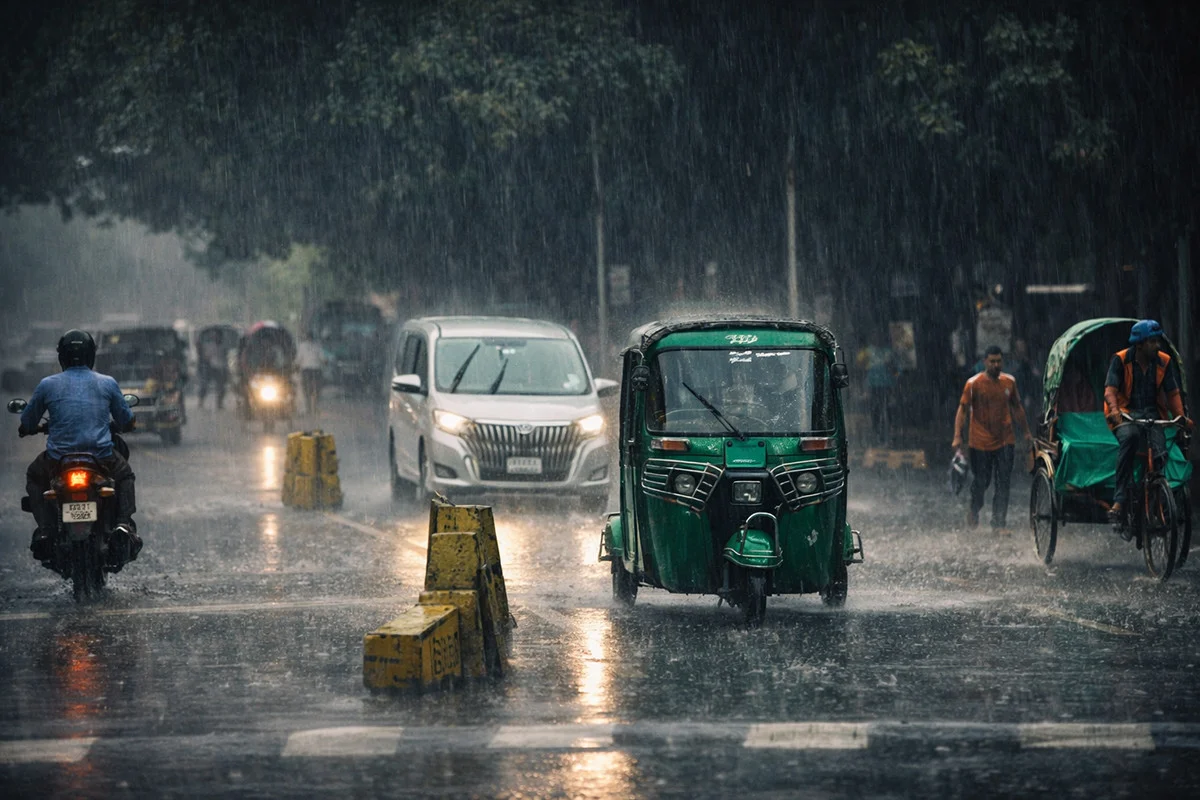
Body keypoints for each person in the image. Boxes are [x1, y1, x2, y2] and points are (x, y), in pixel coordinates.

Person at [19, 329, 140, 561]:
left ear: (62, 357)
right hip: (101, 458)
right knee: (124, 476)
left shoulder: (47, 385)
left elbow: (27, 421)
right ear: (91, 355)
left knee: (35, 476)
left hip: (58, 461)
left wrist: (27, 429)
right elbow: (126, 420)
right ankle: (123, 525)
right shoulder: (107, 383)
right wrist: (128, 424)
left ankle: (45, 529)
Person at [1102, 320, 1193, 528]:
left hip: (1153, 413)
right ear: (1140, 344)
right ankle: (1120, 498)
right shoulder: (1121, 359)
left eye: (1158, 341)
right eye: (1153, 342)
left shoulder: (1164, 362)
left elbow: (1173, 393)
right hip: (1126, 413)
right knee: (1131, 438)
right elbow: (1110, 390)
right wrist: (1115, 412)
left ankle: (1156, 497)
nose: (1158, 346)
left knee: (1161, 451)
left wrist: (1181, 418)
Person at [951, 345, 1032, 531]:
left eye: (999, 361)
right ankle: (974, 508)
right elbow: (962, 410)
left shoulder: (1009, 382)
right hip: (979, 442)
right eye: (992, 361)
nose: (996, 365)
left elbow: (1017, 408)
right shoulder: (973, 384)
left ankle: (999, 525)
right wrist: (957, 436)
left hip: (1005, 440)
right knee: (982, 482)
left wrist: (1026, 432)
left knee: (1003, 483)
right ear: (985, 362)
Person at [856, 330, 897, 446]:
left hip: (887, 385)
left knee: (887, 410)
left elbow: (897, 369)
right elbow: (859, 366)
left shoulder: (889, 352)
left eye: (879, 336)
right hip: (873, 386)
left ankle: (887, 433)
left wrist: (896, 377)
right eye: (874, 336)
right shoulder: (867, 351)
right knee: (876, 410)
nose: (877, 339)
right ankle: (878, 433)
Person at [197, 333, 230, 410]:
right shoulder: (209, 345)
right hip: (210, 367)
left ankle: (219, 403)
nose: (217, 338)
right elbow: (204, 356)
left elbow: (225, 358)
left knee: (221, 387)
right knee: (204, 385)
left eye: (218, 336)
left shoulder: (224, 346)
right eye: (215, 336)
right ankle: (201, 401)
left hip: (221, 368)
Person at [297, 334, 325, 415]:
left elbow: (298, 359)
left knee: (306, 390)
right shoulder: (317, 346)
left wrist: (295, 366)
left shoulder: (302, 346)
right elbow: (323, 358)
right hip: (316, 370)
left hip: (306, 371)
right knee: (316, 390)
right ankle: (315, 407)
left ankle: (309, 408)